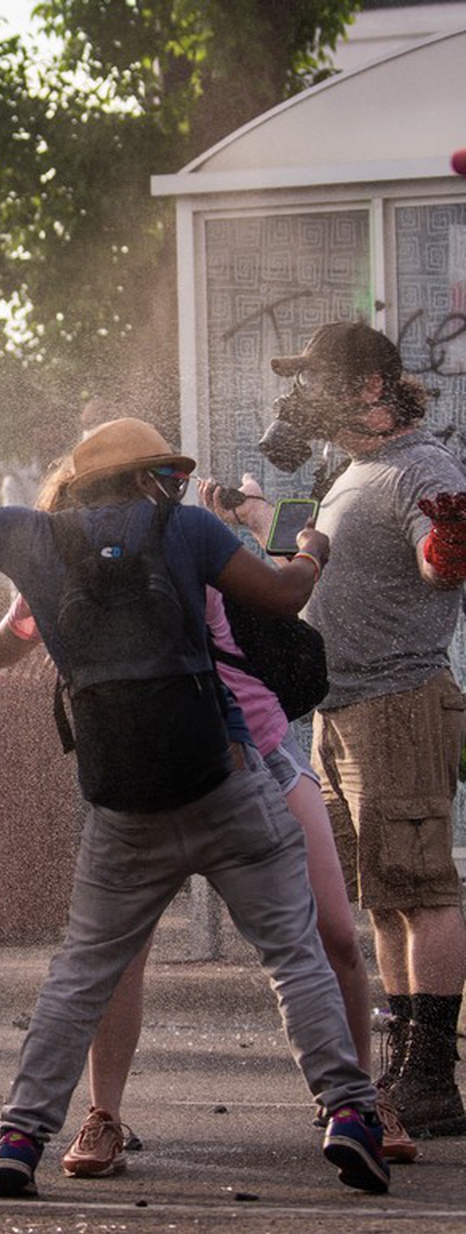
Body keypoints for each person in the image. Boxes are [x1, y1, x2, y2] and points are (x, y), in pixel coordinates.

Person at [0, 412, 392, 1197]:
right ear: (151, 478)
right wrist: (312, 544)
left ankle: (20, 1137)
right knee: (293, 953)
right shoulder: (184, 530)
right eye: (169, 476)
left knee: (81, 975)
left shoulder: (32, 537)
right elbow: (283, 596)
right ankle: (348, 1113)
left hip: (122, 803)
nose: (174, 487)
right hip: (220, 782)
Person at [0, 451, 408, 1173]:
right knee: (122, 961)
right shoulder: (64, 552)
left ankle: (358, 1099)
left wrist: (269, 522)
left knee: (333, 932)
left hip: (258, 748)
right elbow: (10, 644)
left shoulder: (187, 532)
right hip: (161, 771)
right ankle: (103, 1116)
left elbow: (273, 591)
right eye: (160, 477)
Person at [226, 320, 466, 1139]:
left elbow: (439, 562)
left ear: (369, 388)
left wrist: (448, 542)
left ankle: (433, 1073)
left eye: (314, 380)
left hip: (399, 702)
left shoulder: (421, 467)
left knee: (422, 888)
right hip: (347, 709)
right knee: (386, 898)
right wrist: (260, 520)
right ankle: (410, 1062)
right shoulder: (351, 468)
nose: (296, 399)